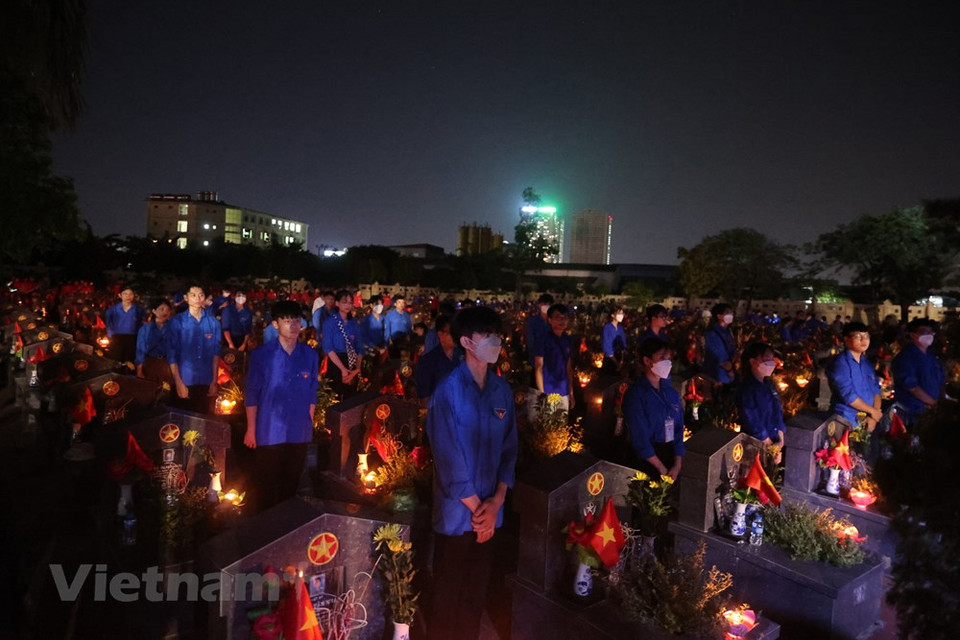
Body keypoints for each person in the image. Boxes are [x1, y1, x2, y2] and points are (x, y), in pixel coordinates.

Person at [426, 305, 518, 640]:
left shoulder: (502, 391)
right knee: (448, 594)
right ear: (466, 341)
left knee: (475, 593)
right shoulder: (447, 392)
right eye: (487, 335)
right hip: (457, 513)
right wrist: (480, 511)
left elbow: (510, 450)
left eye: (498, 335)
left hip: (491, 513)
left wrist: (496, 502)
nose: (495, 342)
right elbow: (448, 458)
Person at [243, 300, 319, 512]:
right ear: (275, 324)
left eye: (296, 320)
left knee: (291, 483)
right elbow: (252, 394)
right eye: (287, 321)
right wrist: (251, 429)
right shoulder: (262, 355)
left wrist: (309, 424)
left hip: (298, 430)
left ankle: (285, 528)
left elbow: (312, 391)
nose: (293, 325)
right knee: (266, 486)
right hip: (269, 430)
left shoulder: (310, 355)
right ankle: (263, 530)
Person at [622, 337, 685, 479]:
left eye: (668, 357)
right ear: (647, 361)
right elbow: (640, 436)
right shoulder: (636, 394)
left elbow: (679, 427)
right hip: (647, 460)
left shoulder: (670, 391)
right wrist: (661, 469)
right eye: (661, 357)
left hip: (670, 455)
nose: (667, 362)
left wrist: (678, 463)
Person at [167, 284, 221, 413]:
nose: (197, 298)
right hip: (185, 380)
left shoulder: (213, 323)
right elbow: (171, 354)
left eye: (201, 295)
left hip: (205, 381)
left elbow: (215, 354)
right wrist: (178, 382)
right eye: (193, 295)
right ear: (186, 298)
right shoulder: (177, 322)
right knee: (183, 423)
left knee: (203, 423)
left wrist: (214, 381)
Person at [828, 322, 881, 431]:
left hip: (869, 420)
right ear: (846, 339)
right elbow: (848, 395)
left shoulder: (866, 363)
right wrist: (873, 412)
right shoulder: (840, 363)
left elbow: (876, 390)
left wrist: (874, 416)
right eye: (858, 336)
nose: (864, 340)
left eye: (866, 336)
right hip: (846, 421)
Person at [737, 342, 786, 460]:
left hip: (773, 441)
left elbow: (777, 410)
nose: (770, 364)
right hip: (755, 445)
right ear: (752, 361)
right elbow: (751, 419)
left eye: (771, 360)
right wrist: (768, 444)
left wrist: (780, 437)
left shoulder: (768, 384)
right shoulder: (747, 388)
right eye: (765, 360)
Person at [892, 318, 944, 427]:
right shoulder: (906, 358)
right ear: (912, 335)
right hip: (912, 412)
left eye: (930, 332)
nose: (928, 335)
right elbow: (912, 387)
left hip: (931, 411)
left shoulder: (931, 356)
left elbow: (940, 380)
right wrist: (933, 403)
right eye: (924, 332)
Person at [531, 304, 575, 417]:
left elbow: (568, 367)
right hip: (548, 389)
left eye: (564, 317)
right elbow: (538, 367)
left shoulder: (567, 339)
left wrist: (571, 392)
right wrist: (542, 394)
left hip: (564, 389)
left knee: (560, 427)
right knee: (547, 426)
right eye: (557, 317)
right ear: (549, 320)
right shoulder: (543, 339)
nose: (562, 320)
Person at [322, 289, 362, 399]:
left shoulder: (354, 323)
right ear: (337, 303)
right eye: (344, 302)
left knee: (351, 397)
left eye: (350, 302)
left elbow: (359, 347)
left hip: (351, 361)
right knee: (336, 397)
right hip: (336, 362)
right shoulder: (330, 322)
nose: (348, 305)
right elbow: (328, 348)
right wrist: (343, 369)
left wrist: (356, 369)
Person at [415, 314, 461, 406]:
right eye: (452, 333)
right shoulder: (428, 361)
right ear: (441, 335)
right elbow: (424, 397)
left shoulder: (463, 356)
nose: (457, 337)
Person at [135, 298, 173, 387]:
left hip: (167, 364)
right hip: (150, 363)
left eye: (168, 310)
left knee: (167, 391)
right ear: (154, 311)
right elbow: (140, 350)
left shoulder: (174, 328)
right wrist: (139, 370)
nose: (165, 312)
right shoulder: (145, 329)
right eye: (162, 309)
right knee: (150, 389)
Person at [104, 286, 146, 363]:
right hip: (116, 338)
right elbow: (109, 323)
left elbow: (141, 324)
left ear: (133, 295)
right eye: (125, 294)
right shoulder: (112, 310)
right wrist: (110, 336)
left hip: (132, 338)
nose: (128, 296)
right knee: (115, 360)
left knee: (130, 362)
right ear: (120, 295)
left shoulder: (139, 310)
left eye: (130, 294)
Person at [703, 303, 737, 386]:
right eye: (727, 313)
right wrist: (730, 372)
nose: (731, 315)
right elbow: (721, 358)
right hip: (719, 376)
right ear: (719, 316)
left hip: (728, 373)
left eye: (731, 313)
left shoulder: (728, 332)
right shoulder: (712, 334)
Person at [524, 293, 553, 373]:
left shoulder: (554, 322)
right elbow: (530, 342)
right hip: (536, 360)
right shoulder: (533, 321)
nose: (546, 306)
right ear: (539, 305)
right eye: (544, 304)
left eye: (549, 304)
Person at [601, 306, 627, 373]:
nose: (621, 316)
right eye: (619, 314)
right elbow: (606, 344)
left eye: (622, 313)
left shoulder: (620, 328)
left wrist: (621, 360)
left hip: (619, 356)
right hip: (610, 359)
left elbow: (623, 343)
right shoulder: (607, 327)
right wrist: (616, 362)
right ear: (613, 315)